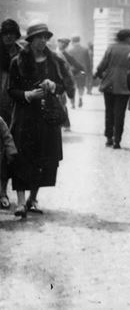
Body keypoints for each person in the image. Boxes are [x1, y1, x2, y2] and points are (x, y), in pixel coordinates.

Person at [7, 22, 68, 220]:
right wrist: (27, 94)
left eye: (45, 37)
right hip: (25, 116)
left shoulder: (54, 62)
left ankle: (33, 199)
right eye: (39, 37)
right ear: (31, 40)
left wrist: (54, 86)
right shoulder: (18, 61)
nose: (43, 41)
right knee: (23, 157)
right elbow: (11, 90)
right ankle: (21, 202)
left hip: (47, 117)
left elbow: (63, 86)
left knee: (44, 158)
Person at [95, 28, 130, 149]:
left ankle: (109, 137)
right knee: (120, 114)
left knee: (109, 112)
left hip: (109, 84)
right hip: (124, 86)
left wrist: (99, 73)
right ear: (127, 38)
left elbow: (102, 65)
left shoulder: (111, 48)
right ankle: (117, 140)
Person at [0, 18, 22, 210]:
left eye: (12, 34)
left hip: (14, 108)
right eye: (5, 33)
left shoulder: (22, 53)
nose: (8, 37)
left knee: (8, 151)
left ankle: (2, 191)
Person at [55, 37, 85, 110]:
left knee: (65, 93)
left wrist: (82, 69)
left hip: (63, 77)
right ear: (59, 43)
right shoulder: (53, 53)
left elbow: (74, 62)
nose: (65, 46)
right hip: (57, 77)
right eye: (63, 44)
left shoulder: (65, 54)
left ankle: (70, 105)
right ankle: (71, 104)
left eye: (66, 45)